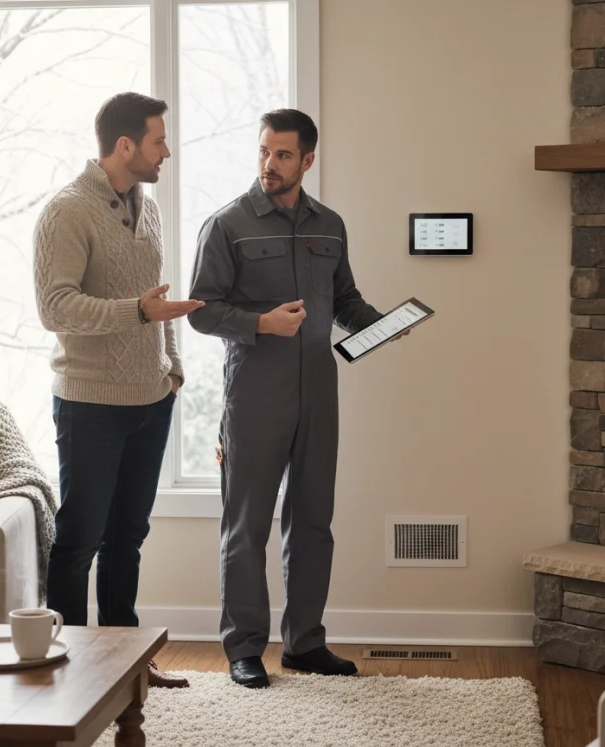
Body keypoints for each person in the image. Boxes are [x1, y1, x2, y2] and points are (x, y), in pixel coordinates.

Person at [187, 108, 400, 688]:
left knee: (313, 522)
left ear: (308, 160)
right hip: (255, 395)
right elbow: (201, 312)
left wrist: (379, 324)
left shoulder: (330, 226)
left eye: (282, 155)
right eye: (263, 152)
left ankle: (305, 642)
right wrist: (261, 324)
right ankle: (244, 648)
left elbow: (345, 299)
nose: (269, 165)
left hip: (319, 392)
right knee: (247, 524)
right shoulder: (227, 225)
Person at [32, 92, 203, 688]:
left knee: (127, 538)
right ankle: (71, 668)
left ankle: (125, 663)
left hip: (150, 400)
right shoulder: (67, 212)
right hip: (90, 403)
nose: (167, 151)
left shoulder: (147, 206)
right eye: (159, 140)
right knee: (80, 539)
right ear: (125, 145)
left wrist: (173, 368)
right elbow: (55, 307)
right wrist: (135, 312)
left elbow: (159, 299)